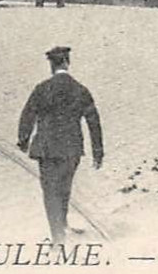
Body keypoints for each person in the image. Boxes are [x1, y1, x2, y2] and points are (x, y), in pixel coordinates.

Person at [16, 46, 103, 245]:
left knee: (50, 192)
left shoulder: (42, 88)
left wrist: (23, 139)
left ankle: (58, 237)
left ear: (52, 65)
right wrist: (98, 152)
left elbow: (28, 113)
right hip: (71, 149)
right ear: (67, 62)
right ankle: (62, 225)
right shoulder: (80, 89)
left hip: (46, 149)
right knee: (64, 188)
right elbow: (93, 122)